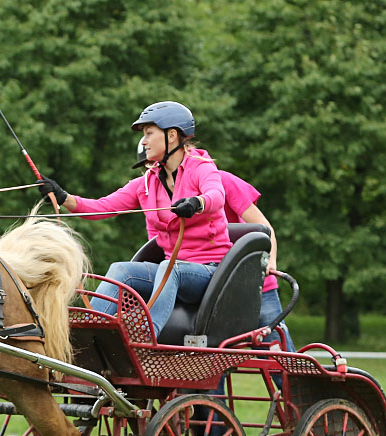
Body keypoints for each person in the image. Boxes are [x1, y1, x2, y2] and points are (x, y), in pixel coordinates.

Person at [37, 101, 230, 340]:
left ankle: (144, 339)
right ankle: (88, 337)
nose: (144, 141)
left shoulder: (202, 167)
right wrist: (63, 197)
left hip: (210, 273)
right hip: (169, 270)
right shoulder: (146, 183)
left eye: (149, 133)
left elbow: (217, 196)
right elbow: (101, 208)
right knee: (122, 269)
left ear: (171, 135)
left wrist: (196, 203)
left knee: (171, 269)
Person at [132, 141, 296, 351]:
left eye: (156, 165)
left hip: (249, 284)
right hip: (208, 285)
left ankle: (291, 382)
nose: (154, 172)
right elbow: (162, 248)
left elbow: (264, 227)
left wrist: (269, 262)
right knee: (210, 359)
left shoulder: (220, 181)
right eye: (149, 166)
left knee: (276, 355)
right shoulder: (157, 199)